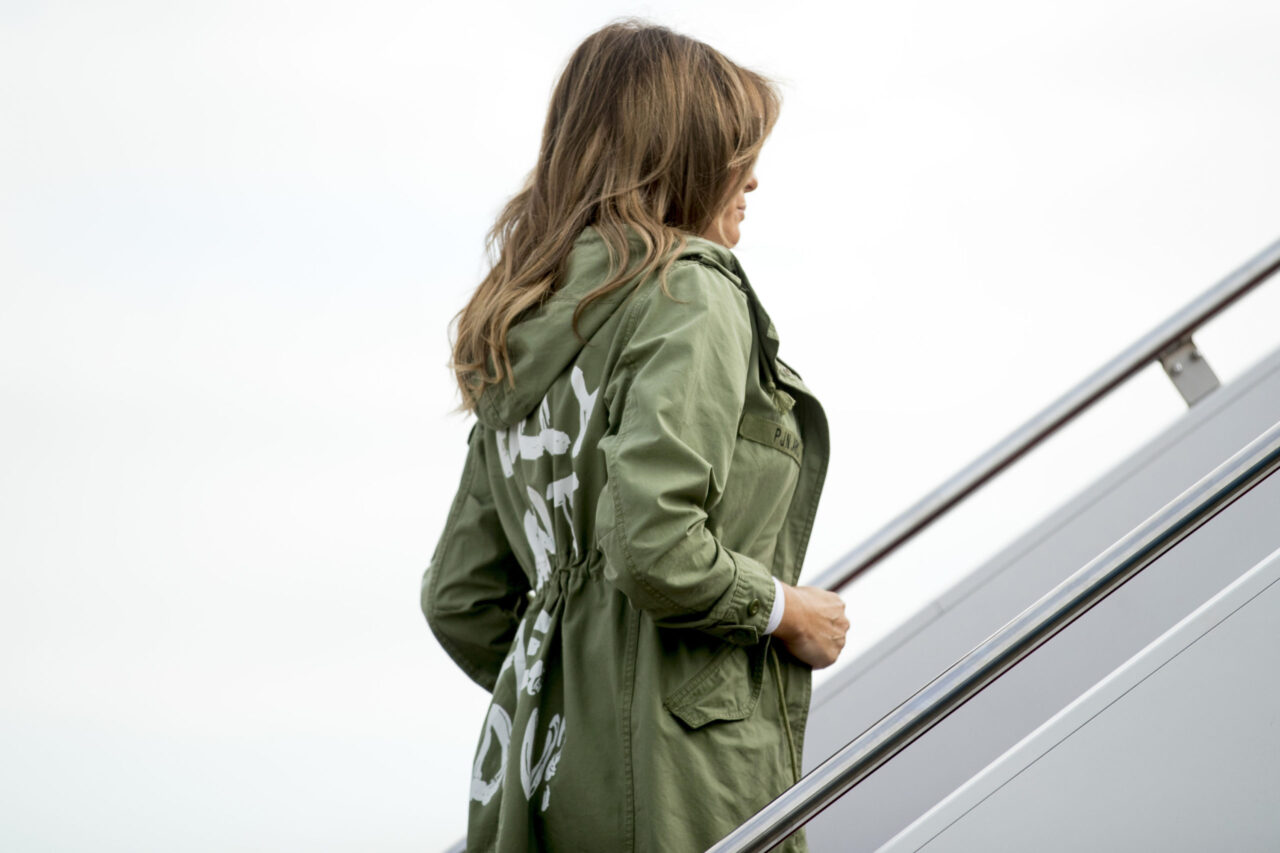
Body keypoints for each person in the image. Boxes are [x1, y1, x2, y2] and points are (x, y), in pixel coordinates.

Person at [422, 20, 850, 852]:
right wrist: (783, 608)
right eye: (734, 151)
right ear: (682, 156)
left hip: (538, 782)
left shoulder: (521, 323)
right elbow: (656, 542)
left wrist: (575, 692)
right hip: (678, 782)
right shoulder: (688, 291)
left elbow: (460, 597)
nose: (754, 178)